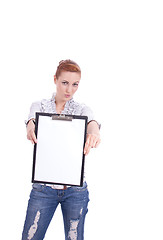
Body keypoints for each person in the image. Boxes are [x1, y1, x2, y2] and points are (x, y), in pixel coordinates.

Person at [22, 59, 101, 240]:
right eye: (65, 83)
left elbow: (92, 123)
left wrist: (94, 131)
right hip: (43, 189)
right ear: (55, 79)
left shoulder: (82, 109)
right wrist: (30, 126)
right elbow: (31, 121)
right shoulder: (39, 106)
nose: (69, 90)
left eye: (75, 84)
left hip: (75, 191)